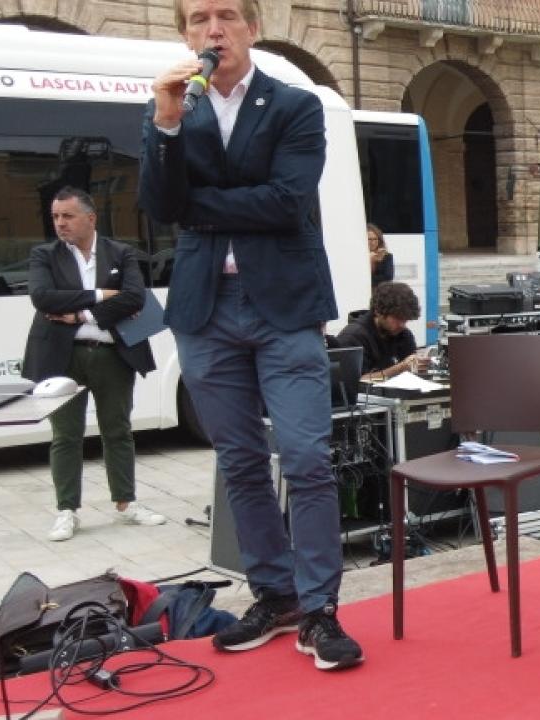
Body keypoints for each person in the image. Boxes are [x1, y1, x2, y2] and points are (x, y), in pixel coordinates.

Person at [138, 0, 362, 670]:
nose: (213, 30)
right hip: (205, 309)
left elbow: (288, 201)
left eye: (226, 16)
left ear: (251, 28)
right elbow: (156, 207)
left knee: (306, 458)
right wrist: (167, 126)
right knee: (238, 462)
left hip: (284, 308)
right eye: (199, 19)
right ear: (185, 34)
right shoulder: (174, 110)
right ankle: (275, 595)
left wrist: (196, 209)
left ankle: (320, 610)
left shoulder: (294, 106)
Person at [24, 187, 163, 542]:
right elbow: (41, 297)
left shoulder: (122, 253)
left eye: (67, 216)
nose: (60, 224)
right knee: (66, 435)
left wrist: (80, 313)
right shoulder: (44, 255)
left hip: (112, 355)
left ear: (90, 217)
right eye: (55, 217)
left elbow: (135, 297)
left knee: (117, 430)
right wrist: (103, 296)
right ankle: (66, 510)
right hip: (62, 357)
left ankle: (126, 502)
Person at [333, 281, 426, 382]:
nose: (402, 325)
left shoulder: (404, 335)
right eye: (397, 318)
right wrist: (400, 368)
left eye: (405, 320)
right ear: (378, 312)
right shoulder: (352, 338)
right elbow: (357, 381)